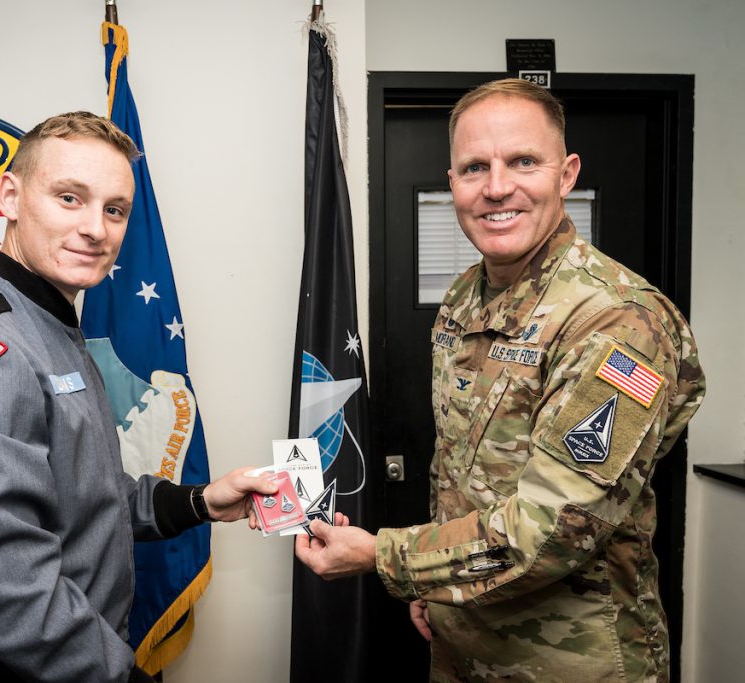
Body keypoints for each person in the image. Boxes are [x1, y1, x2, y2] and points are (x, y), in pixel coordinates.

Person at [295, 79, 705, 681]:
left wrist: (388, 558)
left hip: (569, 660)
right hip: (462, 637)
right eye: (473, 168)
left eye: (523, 162)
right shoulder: (465, 295)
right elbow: (458, 468)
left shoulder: (616, 321)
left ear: (566, 175)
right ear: (452, 182)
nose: (496, 188)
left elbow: (553, 533)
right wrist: (434, 588)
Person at [0, 112, 277, 683]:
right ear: (11, 197)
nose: (97, 228)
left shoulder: (49, 328)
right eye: (70, 198)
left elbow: (77, 497)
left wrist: (200, 502)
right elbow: (7, 593)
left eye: (115, 209)